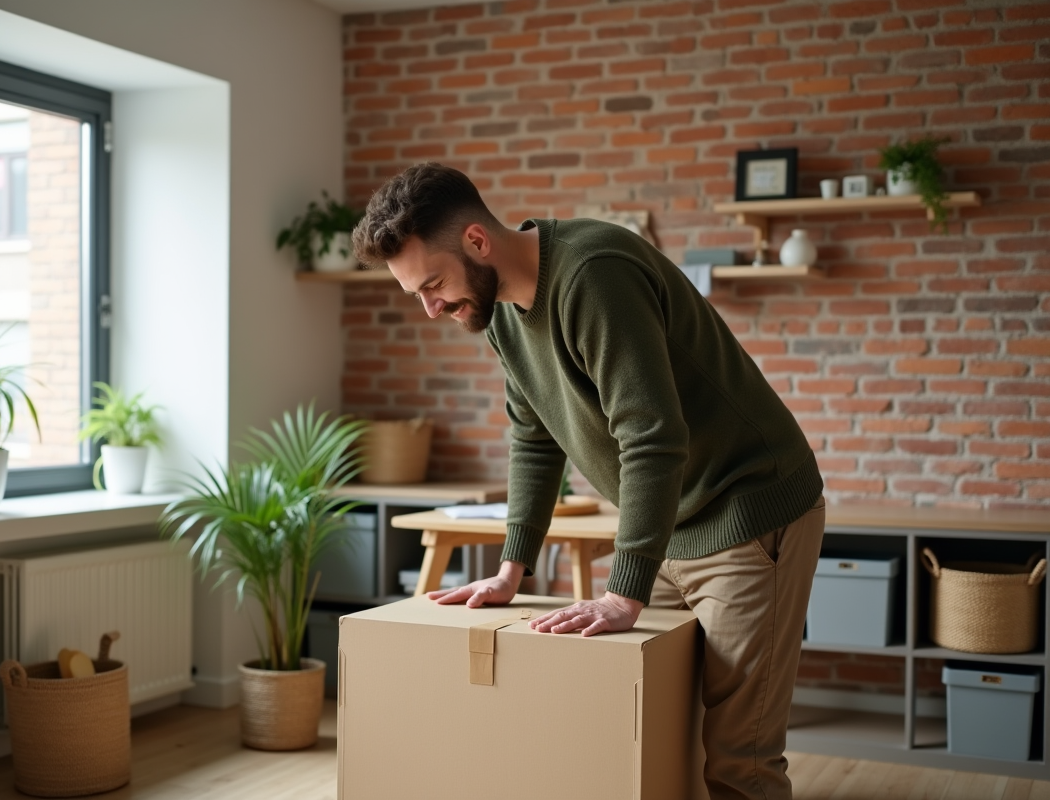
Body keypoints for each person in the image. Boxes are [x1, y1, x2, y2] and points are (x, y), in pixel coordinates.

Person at [351, 162, 825, 800]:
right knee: (655, 730)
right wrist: (511, 568)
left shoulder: (592, 274)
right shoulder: (502, 314)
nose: (433, 309)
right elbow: (534, 437)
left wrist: (622, 593)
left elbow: (653, 437)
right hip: (671, 526)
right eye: (418, 295)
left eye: (433, 284)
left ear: (476, 241)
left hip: (746, 512)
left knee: (740, 760)